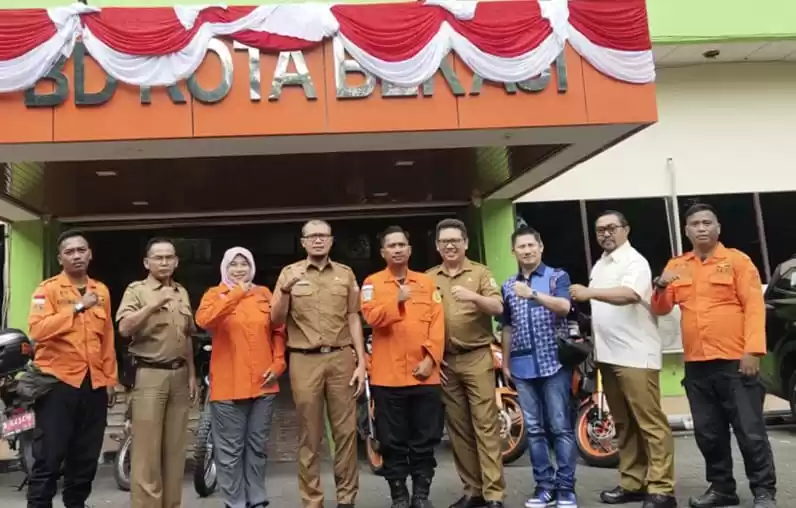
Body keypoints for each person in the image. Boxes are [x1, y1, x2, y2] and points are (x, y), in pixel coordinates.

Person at [651, 203, 776, 508]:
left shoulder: (737, 261)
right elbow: (661, 308)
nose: (702, 228)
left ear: (718, 228)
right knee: (709, 434)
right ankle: (722, 489)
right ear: (686, 231)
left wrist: (753, 351)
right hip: (697, 364)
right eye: (695, 224)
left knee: (750, 432)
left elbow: (754, 307)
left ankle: (764, 491)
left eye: (707, 223)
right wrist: (661, 286)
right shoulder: (677, 265)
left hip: (736, 361)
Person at [570, 211, 676, 508]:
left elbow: (629, 294)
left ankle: (662, 488)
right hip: (607, 355)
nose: (606, 234)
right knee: (623, 423)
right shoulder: (601, 264)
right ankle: (632, 482)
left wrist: (588, 292)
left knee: (650, 423)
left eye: (611, 228)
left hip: (635, 355)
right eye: (600, 230)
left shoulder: (634, 262)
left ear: (626, 230)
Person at [270, 219, 366, 508]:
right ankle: (312, 500)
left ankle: (346, 499)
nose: (318, 240)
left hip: (341, 357)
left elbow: (353, 317)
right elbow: (275, 320)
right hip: (304, 359)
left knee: (346, 432)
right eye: (312, 236)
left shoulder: (345, 274)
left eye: (323, 235)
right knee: (309, 434)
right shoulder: (290, 273)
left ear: (331, 240)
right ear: (303, 242)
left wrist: (361, 361)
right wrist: (285, 293)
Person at [26, 230, 117, 508]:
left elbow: (107, 338)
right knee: (49, 455)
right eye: (70, 252)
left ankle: (76, 504)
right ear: (60, 258)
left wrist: (110, 379)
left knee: (86, 456)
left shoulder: (101, 291)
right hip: (57, 383)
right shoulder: (47, 290)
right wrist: (77, 307)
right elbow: (38, 330)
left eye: (81, 250)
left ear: (90, 254)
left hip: (93, 384)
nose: (76, 256)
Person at [195, 247, 287, 508]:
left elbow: (278, 330)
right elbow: (204, 320)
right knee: (230, 450)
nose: (239, 269)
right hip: (228, 385)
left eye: (244, 264)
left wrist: (279, 362)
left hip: (264, 383)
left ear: (252, 267)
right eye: (233, 264)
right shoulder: (214, 295)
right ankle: (234, 502)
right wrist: (235, 293)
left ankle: (257, 499)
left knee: (257, 446)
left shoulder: (264, 294)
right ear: (224, 268)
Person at [361, 226, 445, 508]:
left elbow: (438, 325)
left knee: (426, 439)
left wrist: (431, 359)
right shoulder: (372, 283)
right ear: (383, 252)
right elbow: (371, 317)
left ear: (409, 250)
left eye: (401, 245)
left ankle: (421, 495)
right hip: (388, 378)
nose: (397, 249)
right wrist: (395, 301)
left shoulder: (426, 283)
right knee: (391, 442)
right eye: (391, 246)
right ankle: (399, 495)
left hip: (424, 376)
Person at [426, 219, 506, 508]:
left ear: (466, 243)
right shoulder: (429, 278)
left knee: (485, 425)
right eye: (444, 241)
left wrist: (474, 297)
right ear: (437, 246)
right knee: (458, 429)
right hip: (446, 362)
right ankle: (473, 491)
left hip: (477, 357)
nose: (450, 246)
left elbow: (498, 307)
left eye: (455, 241)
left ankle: (494, 493)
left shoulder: (480, 273)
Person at [116, 237, 198, 508]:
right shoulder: (136, 290)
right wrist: (153, 304)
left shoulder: (181, 292)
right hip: (149, 374)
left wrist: (191, 374)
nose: (164, 262)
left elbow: (186, 335)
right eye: (158, 257)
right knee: (147, 453)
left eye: (169, 257)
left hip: (179, 376)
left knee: (175, 452)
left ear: (176, 261)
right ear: (146, 262)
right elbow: (124, 328)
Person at [500, 226, 577, 508]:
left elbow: (564, 307)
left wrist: (532, 293)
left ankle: (566, 488)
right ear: (514, 252)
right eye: (521, 247)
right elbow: (507, 327)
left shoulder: (557, 276)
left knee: (560, 427)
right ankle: (544, 486)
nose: (527, 250)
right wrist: (505, 362)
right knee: (533, 429)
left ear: (541, 247)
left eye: (531, 245)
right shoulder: (508, 285)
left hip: (554, 363)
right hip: (521, 366)